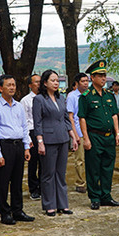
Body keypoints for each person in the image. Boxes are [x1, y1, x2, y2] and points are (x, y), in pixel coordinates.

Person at [0, 75, 34, 225]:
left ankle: (17, 210)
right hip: (4, 146)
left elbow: (24, 127)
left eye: (14, 85)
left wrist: (26, 147)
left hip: (18, 146)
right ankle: (4, 212)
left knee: (17, 180)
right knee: (3, 181)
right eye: (8, 85)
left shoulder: (18, 106)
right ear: (1, 88)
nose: (12, 87)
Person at [79, 60, 119, 210]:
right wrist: (86, 138)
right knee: (93, 168)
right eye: (100, 76)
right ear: (93, 77)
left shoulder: (108, 95)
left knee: (107, 167)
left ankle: (106, 195)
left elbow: (114, 115)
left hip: (109, 136)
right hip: (94, 136)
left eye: (104, 75)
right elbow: (82, 117)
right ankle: (95, 197)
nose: (103, 78)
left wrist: (117, 133)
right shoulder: (86, 96)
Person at [33, 70, 78, 216]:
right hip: (48, 140)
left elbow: (66, 119)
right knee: (48, 174)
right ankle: (49, 205)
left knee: (61, 173)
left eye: (57, 80)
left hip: (63, 138)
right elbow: (37, 122)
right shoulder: (39, 99)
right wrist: (40, 141)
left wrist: (72, 136)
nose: (56, 83)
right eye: (52, 80)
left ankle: (62, 204)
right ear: (45, 83)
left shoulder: (61, 98)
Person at [20, 74, 42, 200]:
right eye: (36, 82)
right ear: (30, 85)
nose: (39, 84)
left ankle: (43, 187)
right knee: (33, 162)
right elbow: (24, 121)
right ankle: (33, 189)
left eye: (40, 82)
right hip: (32, 132)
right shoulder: (26, 100)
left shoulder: (45, 98)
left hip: (44, 132)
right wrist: (27, 139)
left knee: (44, 163)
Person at [66, 74, 89, 194]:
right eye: (83, 81)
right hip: (79, 132)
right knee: (80, 159)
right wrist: (75, 135)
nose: (85, 83)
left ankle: (90, 181)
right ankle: (80, 183)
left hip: (89, 132)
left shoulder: (89, 94)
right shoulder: (72, 96)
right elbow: (71, 117)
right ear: (77, 83)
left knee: (91, 159)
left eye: (87, 81)